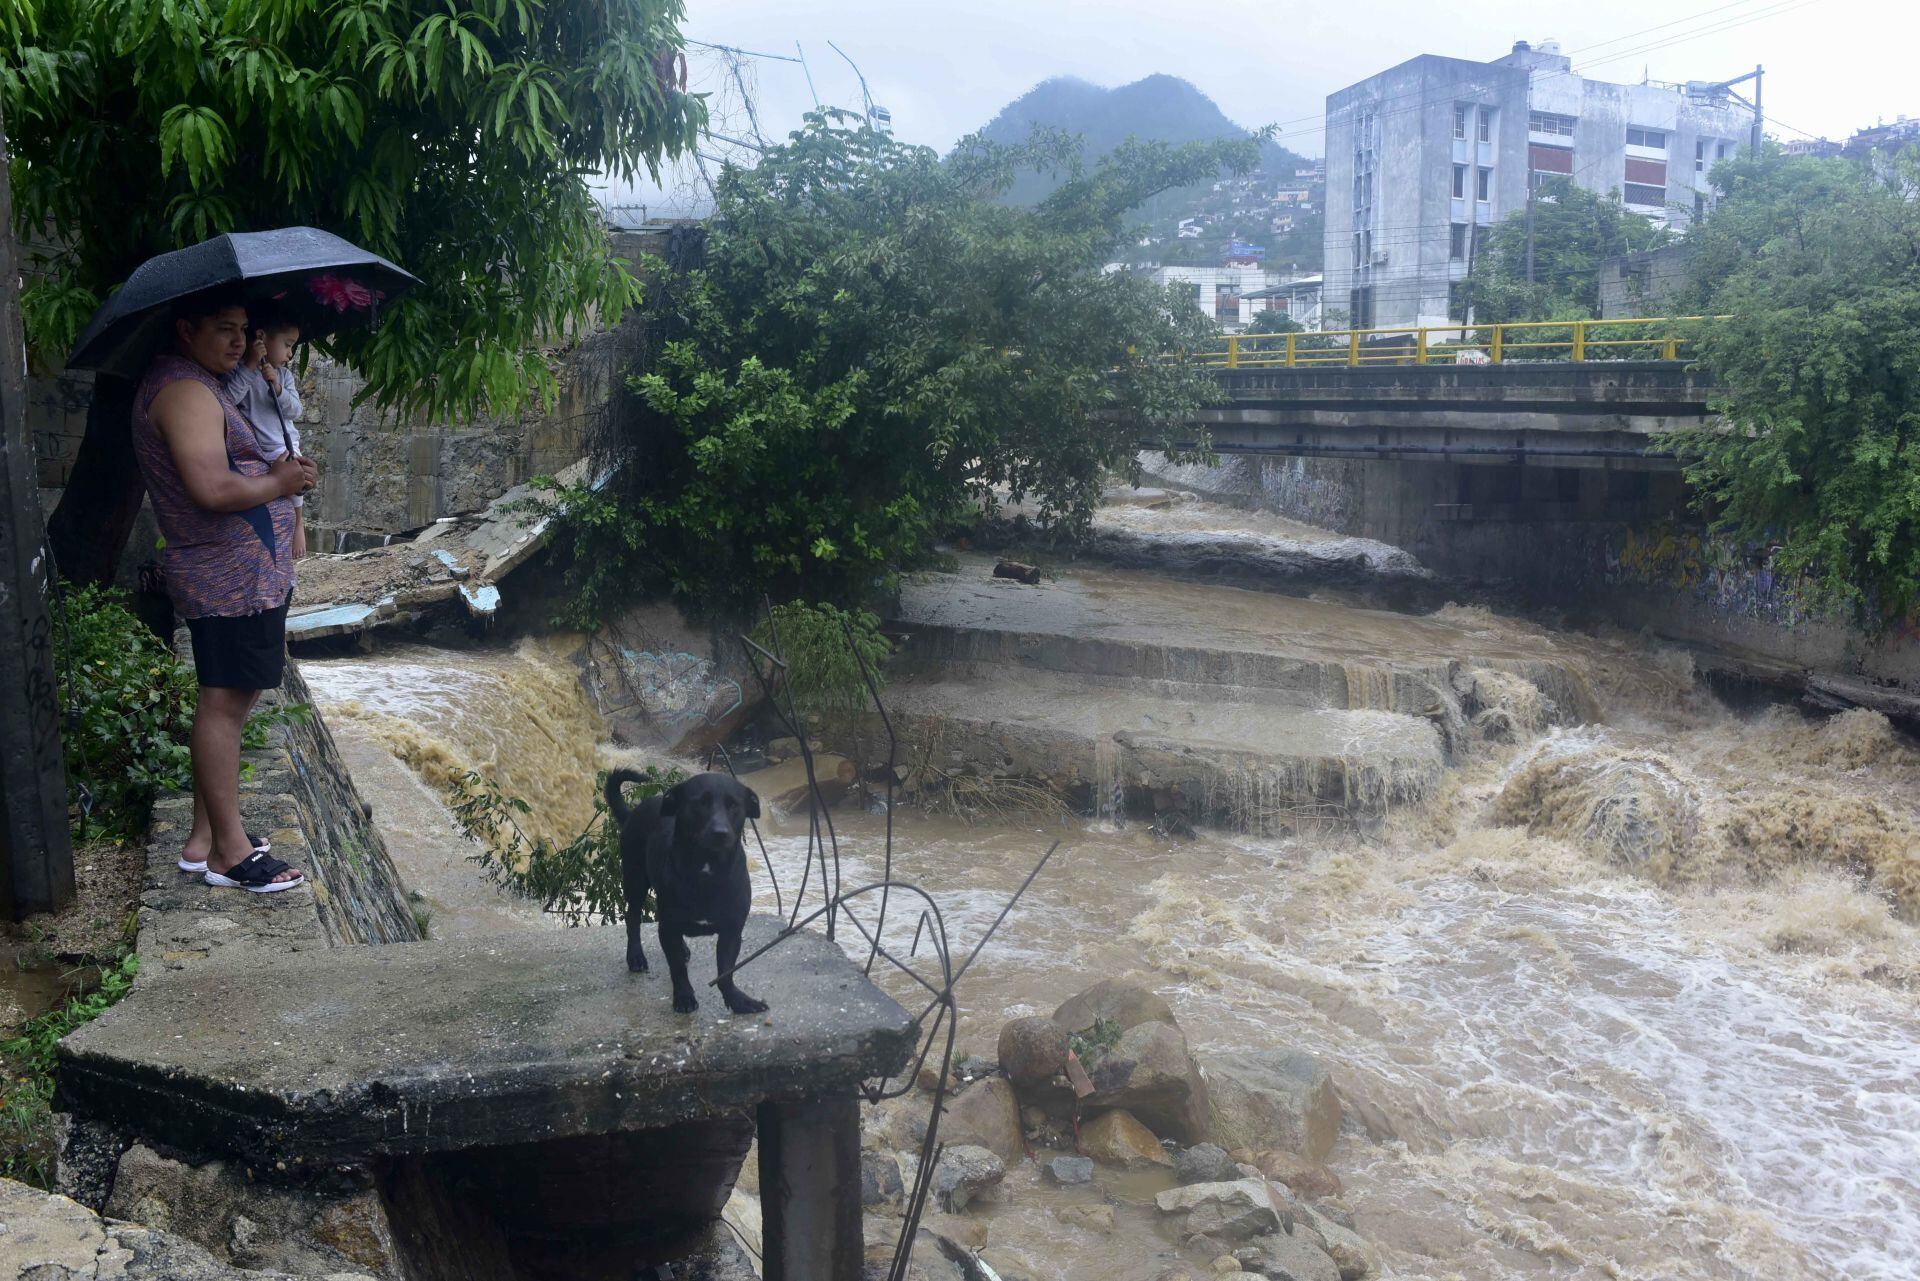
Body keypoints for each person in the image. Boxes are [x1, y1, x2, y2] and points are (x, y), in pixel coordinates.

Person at [129, 288, 315, 892]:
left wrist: (286, 490)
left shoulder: (198, 383)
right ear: (185, 329)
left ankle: (203, 838)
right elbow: (210, 488)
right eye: (223, 328)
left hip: (246, 572)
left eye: (242, 328)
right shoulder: (183, 392)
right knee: (225, 704)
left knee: (233, 701)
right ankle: (228, 856)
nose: (239, 340)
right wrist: (281, 480)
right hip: (229, 576)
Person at [222, 302, 308, 557]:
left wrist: (278, 390)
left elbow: (296, 410)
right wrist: (250, 366)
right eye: (288, 344)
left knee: (296, 482)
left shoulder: (284, 376)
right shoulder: (240, 371)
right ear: (261, 338)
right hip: (258, 448)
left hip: (284, 443)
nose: (290, 353)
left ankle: (299, 522)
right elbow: (228, 400)